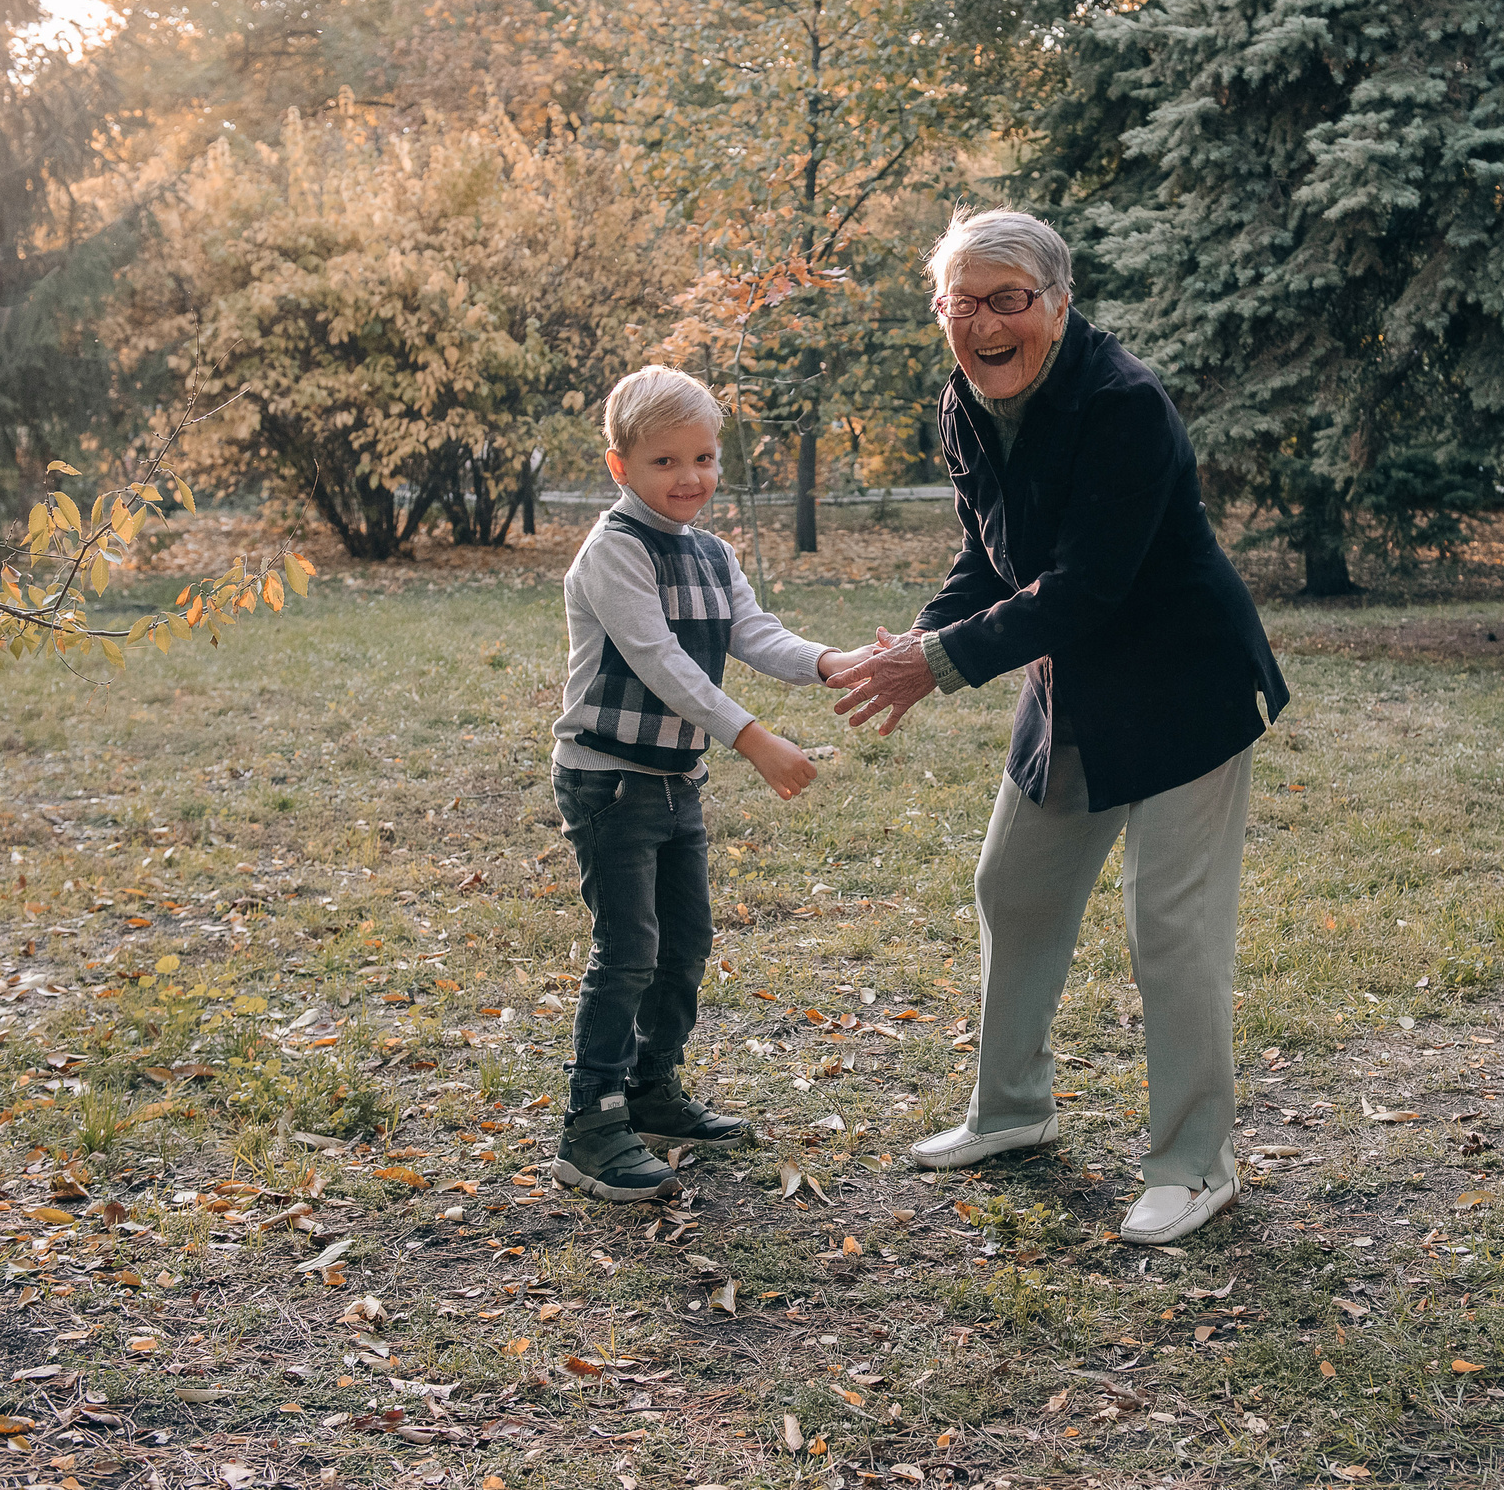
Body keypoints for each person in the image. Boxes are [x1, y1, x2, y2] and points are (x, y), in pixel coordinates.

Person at [828, 207, 1290, 1245]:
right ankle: (1011, 1113)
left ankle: (1192, 1164)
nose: (985, 323)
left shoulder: (1122, 403)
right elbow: (989, 556)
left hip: (1183, 688)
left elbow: (1086, 586)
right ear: (940, 311)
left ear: (1057, 303)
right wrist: (916, 641)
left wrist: (934, 666)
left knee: (1170, 928)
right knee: (1014, 885)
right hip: (1067, 683)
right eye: (963, 302)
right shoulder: (962, 405)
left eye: (1009, 299)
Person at [552, 365, 879, 1202]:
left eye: (703, 456)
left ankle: (654, 1089)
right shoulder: (613, 553)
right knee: (626, 951)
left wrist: (830, 663)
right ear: (620, 466)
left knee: (683, 945)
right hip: (610, 784)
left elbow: (754, 632)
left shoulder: (710, 550)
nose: (690, 477)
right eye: (665, 461)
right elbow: (659, 660)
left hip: (672, 782)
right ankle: (590, 1122)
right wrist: (753, 736)